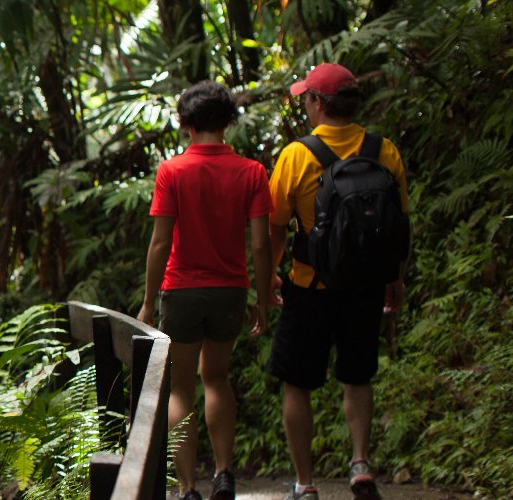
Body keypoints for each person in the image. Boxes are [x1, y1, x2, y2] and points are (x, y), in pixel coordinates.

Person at [266, 63, 409, 500]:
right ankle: (360, 462)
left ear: (318, 103)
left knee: (297, 382)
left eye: (306, 98)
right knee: (358, 376)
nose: (305, 104)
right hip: (365, 285)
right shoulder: (383, 150)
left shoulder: (296, 155)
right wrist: (395, 279)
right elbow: (400, 224)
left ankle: (305, 483)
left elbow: (276, 225)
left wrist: (270, 276)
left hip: (310, 286)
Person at [138, 80, 273, 500]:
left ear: (186, 124)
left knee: (181, 388)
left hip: (181, 291)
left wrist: (147, 302)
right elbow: (261, 243)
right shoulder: (251, 172)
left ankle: (188, 487)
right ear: (229, 122)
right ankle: (223, 473)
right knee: (216, 378)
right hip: (230, 290)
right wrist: (263, 298)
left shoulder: (172, 171)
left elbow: (160, 242)